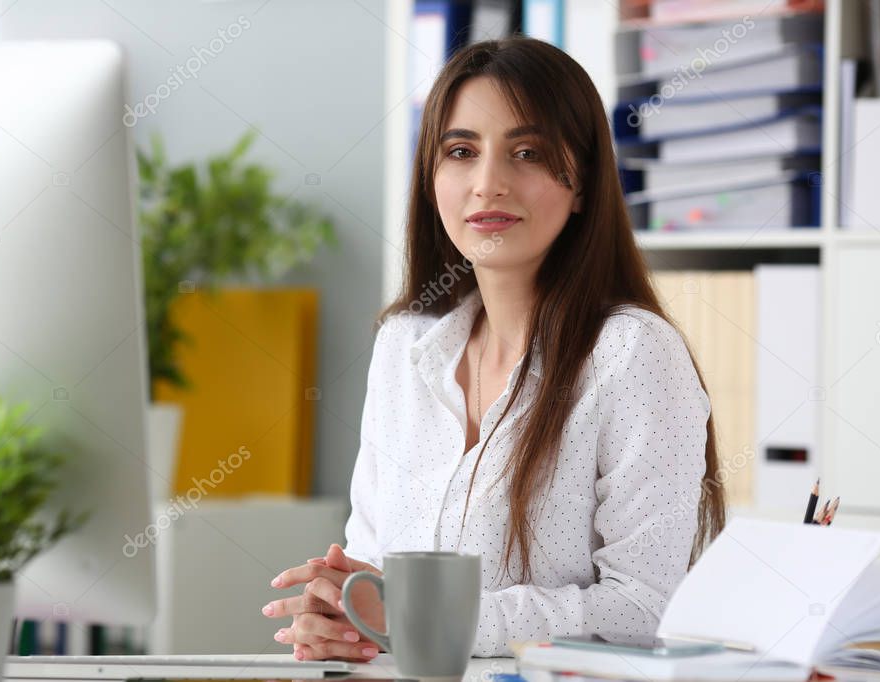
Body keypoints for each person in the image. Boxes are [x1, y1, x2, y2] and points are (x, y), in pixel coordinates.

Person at [260, 34, 725, 661]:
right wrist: (345, 623)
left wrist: (421, 616)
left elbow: (644, 608)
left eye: (526, 152)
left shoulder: (633, 354)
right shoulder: (404, 347)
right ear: (432, 178)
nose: (488, 184)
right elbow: (371, 575)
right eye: (460, 151)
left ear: (582, 182)